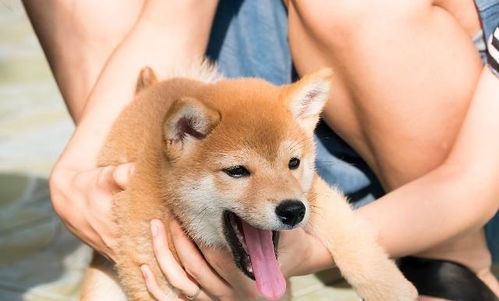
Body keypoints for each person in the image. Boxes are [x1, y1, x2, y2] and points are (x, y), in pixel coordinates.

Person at [22, 0, 498, 300]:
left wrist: (308, 252)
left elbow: (473, 180)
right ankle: (173, 257)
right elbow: (171, 22)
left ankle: (453, 271)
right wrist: (79, 172)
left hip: (446, 188)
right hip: (242, 149)